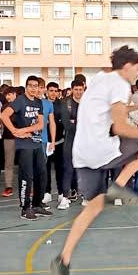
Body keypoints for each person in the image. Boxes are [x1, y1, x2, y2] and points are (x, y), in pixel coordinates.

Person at [50, 47, 138, 275]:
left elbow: (113, 110)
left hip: (82, 153)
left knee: (93, 207)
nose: (136, 73)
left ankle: (63, 259)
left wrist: (137, 107)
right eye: (136, 68)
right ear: (127, 66)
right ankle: (119, 186)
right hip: (100, 149)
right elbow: (119, 127)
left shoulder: (99, 79)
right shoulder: (119, 84)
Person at [0, 79, 48, 220]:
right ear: (26, 87)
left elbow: (40, 125)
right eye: (30, 86)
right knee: (27, 176)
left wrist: (24, 130)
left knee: (41, 174)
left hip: (36, 143)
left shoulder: (38, 102)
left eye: (36, 86)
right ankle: (25, 208)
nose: (33, 88)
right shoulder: (20, 100)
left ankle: (37, 205)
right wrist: (14, 130)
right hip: (24, 145)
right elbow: (4, 115)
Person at [56, 80, 83, 209]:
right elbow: (67, 124)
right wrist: (80, 123)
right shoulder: (65, 103)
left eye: (80, 89)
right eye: (76, 89)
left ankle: (86, 196)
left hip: (86, 141)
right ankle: (65, 198)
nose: (78, 92)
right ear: (72, 90)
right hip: (70, 140)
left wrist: (75, 121)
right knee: (68, 168)